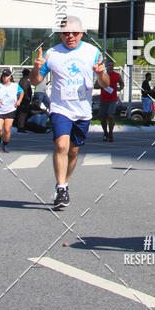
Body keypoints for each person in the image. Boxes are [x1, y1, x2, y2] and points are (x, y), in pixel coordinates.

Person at [30, 16, 108, 209]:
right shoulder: (52, 54)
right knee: (61, 145)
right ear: (60, 34)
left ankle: (63, 183)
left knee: (73, 151)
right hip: (60, 109)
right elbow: (35, 80)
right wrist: (36, 68)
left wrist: (100, 73)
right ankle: (62, 188)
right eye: (65, 33)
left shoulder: (92, 52)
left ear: (81, 33)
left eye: (74, 33)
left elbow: (105, 84)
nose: (70, 36)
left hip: (82, 111)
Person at [0, 68, 23, 152]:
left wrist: (19, 101)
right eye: (3, 76)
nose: (5, 77)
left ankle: (5, 144)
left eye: (7, 76)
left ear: (10, 77)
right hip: (0, 110)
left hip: (10, 110)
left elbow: (21, 92)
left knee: (7, 129)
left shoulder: (15, 85)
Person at [98, 59, 124, 142]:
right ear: (106, 67)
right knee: (102, 118)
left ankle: (110, 133)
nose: (111, 67)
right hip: (103, 99)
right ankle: (105, 133)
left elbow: (122, 83)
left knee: (111, 116)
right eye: (109, 65)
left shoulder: (117, 75)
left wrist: (120, 88)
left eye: (112, 65)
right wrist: (102, 84)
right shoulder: (103, 75)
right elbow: (96, 85)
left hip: (112, 99)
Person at [16, 68, 33, 133]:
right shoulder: (26, 80)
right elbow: (24, 90)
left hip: (23, 99)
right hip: (24, 99)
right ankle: (21, 127)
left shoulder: (22, 80)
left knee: (22, 113)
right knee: (23, 114)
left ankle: (21, 126)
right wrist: (27, 98)